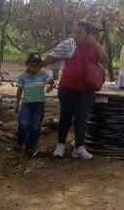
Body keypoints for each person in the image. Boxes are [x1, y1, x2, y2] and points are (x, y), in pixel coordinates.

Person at [43, 21, 109, 160]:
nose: (76, 35)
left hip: (87, 89)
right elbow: (53, 55)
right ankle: (60, 145)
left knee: (81, 117)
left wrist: (97, 44)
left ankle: (79, 147)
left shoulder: (94, 47)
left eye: (80, 32)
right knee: (65, 116)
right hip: (67, 87)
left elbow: (105, 61)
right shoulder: (69, 45)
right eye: (75, 32)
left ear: (87, 35)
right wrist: (38, 64)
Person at [14, 53, 53, 157]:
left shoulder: (43, 75)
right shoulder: (23, 77)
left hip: (39, 105)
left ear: (39, 66)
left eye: (36, 65)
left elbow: (52, 81)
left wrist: (50, 87)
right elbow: (19, 91)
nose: (34, 68)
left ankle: (31, 145)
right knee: (23, 124)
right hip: (26, 104)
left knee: (36, 126)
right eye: (31, 65)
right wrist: (17, 104)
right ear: (27, 65)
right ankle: (20, 141)